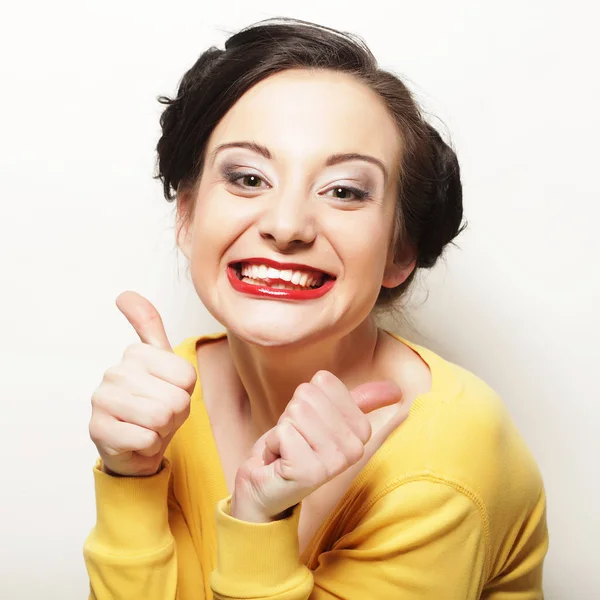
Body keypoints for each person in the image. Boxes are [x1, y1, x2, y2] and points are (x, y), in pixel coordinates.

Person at [83, 17, 548, 600]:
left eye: (345, 191)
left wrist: (259, 522)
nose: (286, 226)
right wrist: (133, 476)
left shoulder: (443, 459)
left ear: (399, 252)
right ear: (187, 215)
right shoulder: (170, 396)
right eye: (248, 178)